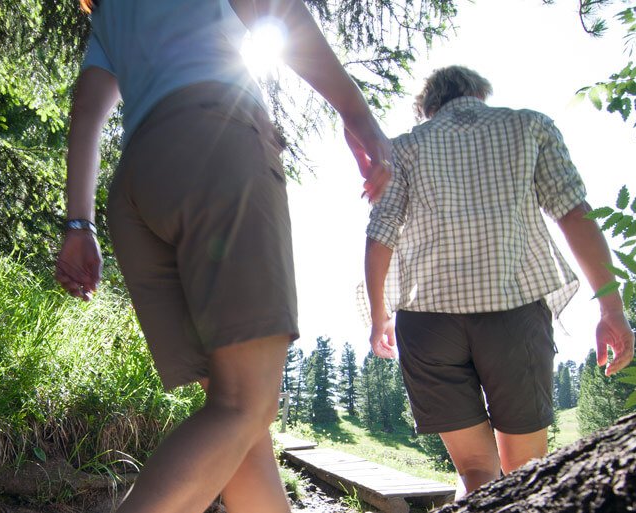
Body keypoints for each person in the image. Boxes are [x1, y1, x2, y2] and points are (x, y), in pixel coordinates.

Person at [54, 1, 393, 512]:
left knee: (241, 427)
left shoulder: (109, 11)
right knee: (244, 407)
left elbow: (87, 110)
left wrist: (78, 224)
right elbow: (277, 10)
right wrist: (356, 112)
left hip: (139, 188)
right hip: (215, 140)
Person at [363, 65, 635, 498]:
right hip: (513, 314)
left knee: (475, 472)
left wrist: (379, 314)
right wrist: (610, 308)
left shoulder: (404, 148)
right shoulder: (529, 126)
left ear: (428, 107)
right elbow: (573, 213)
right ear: (479, 93)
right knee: (526, 472)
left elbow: (380, 237)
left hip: (428, 326)